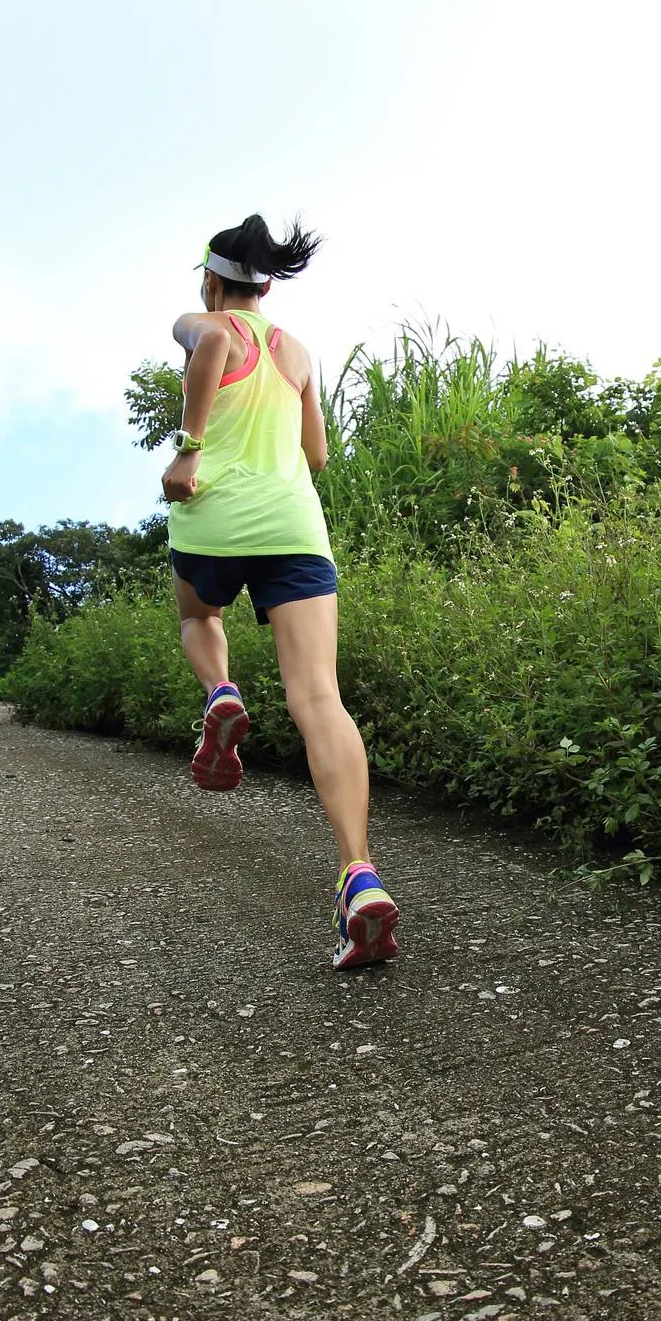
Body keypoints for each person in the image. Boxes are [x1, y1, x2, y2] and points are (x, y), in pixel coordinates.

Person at [159, 214, 399, 970]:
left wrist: (191, 448)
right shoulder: (296, 352)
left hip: (215, 519)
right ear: (266, 283)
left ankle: (220, 693)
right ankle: (359, 876)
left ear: (212, 278)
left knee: (199, 613)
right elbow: (318, 454)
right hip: (295, 527)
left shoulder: (200, 321)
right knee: (320, 699)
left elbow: (216, 348)